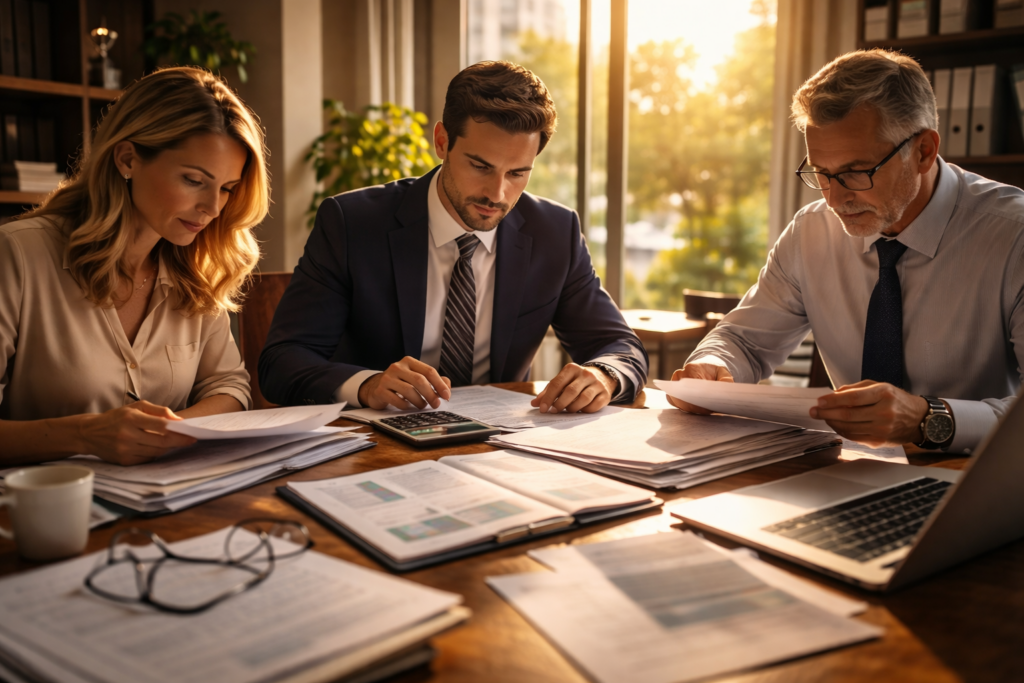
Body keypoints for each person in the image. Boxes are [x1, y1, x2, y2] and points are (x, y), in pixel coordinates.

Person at [668, 49, 1023, 453]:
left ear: (923, 151)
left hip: (976, 480)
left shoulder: (1015, 237)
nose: (836, 199)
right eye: (821, 173)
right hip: (849, 471)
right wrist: (715, 364)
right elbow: (745, 342)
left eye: (857, 172)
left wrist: (928, 419)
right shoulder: (810, 232)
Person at [260, 61, 648, 413]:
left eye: (517, 173)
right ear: (442, 141)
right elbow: (283, 361)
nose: (497, 194)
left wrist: (604, 375)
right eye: (480, 166)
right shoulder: (352, 223)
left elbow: (620, 348)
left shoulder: (555, 232)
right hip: (380, 444)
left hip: (501, 446)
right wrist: (367, 385)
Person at [0, 66, 270, 466]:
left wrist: (168, 432)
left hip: (169, 499)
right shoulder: (17, 255)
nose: (213, 208)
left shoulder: (198, 266)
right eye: (195, 180)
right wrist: (85, 434)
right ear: (127, 159)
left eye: (227, 189)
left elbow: (229, 387)